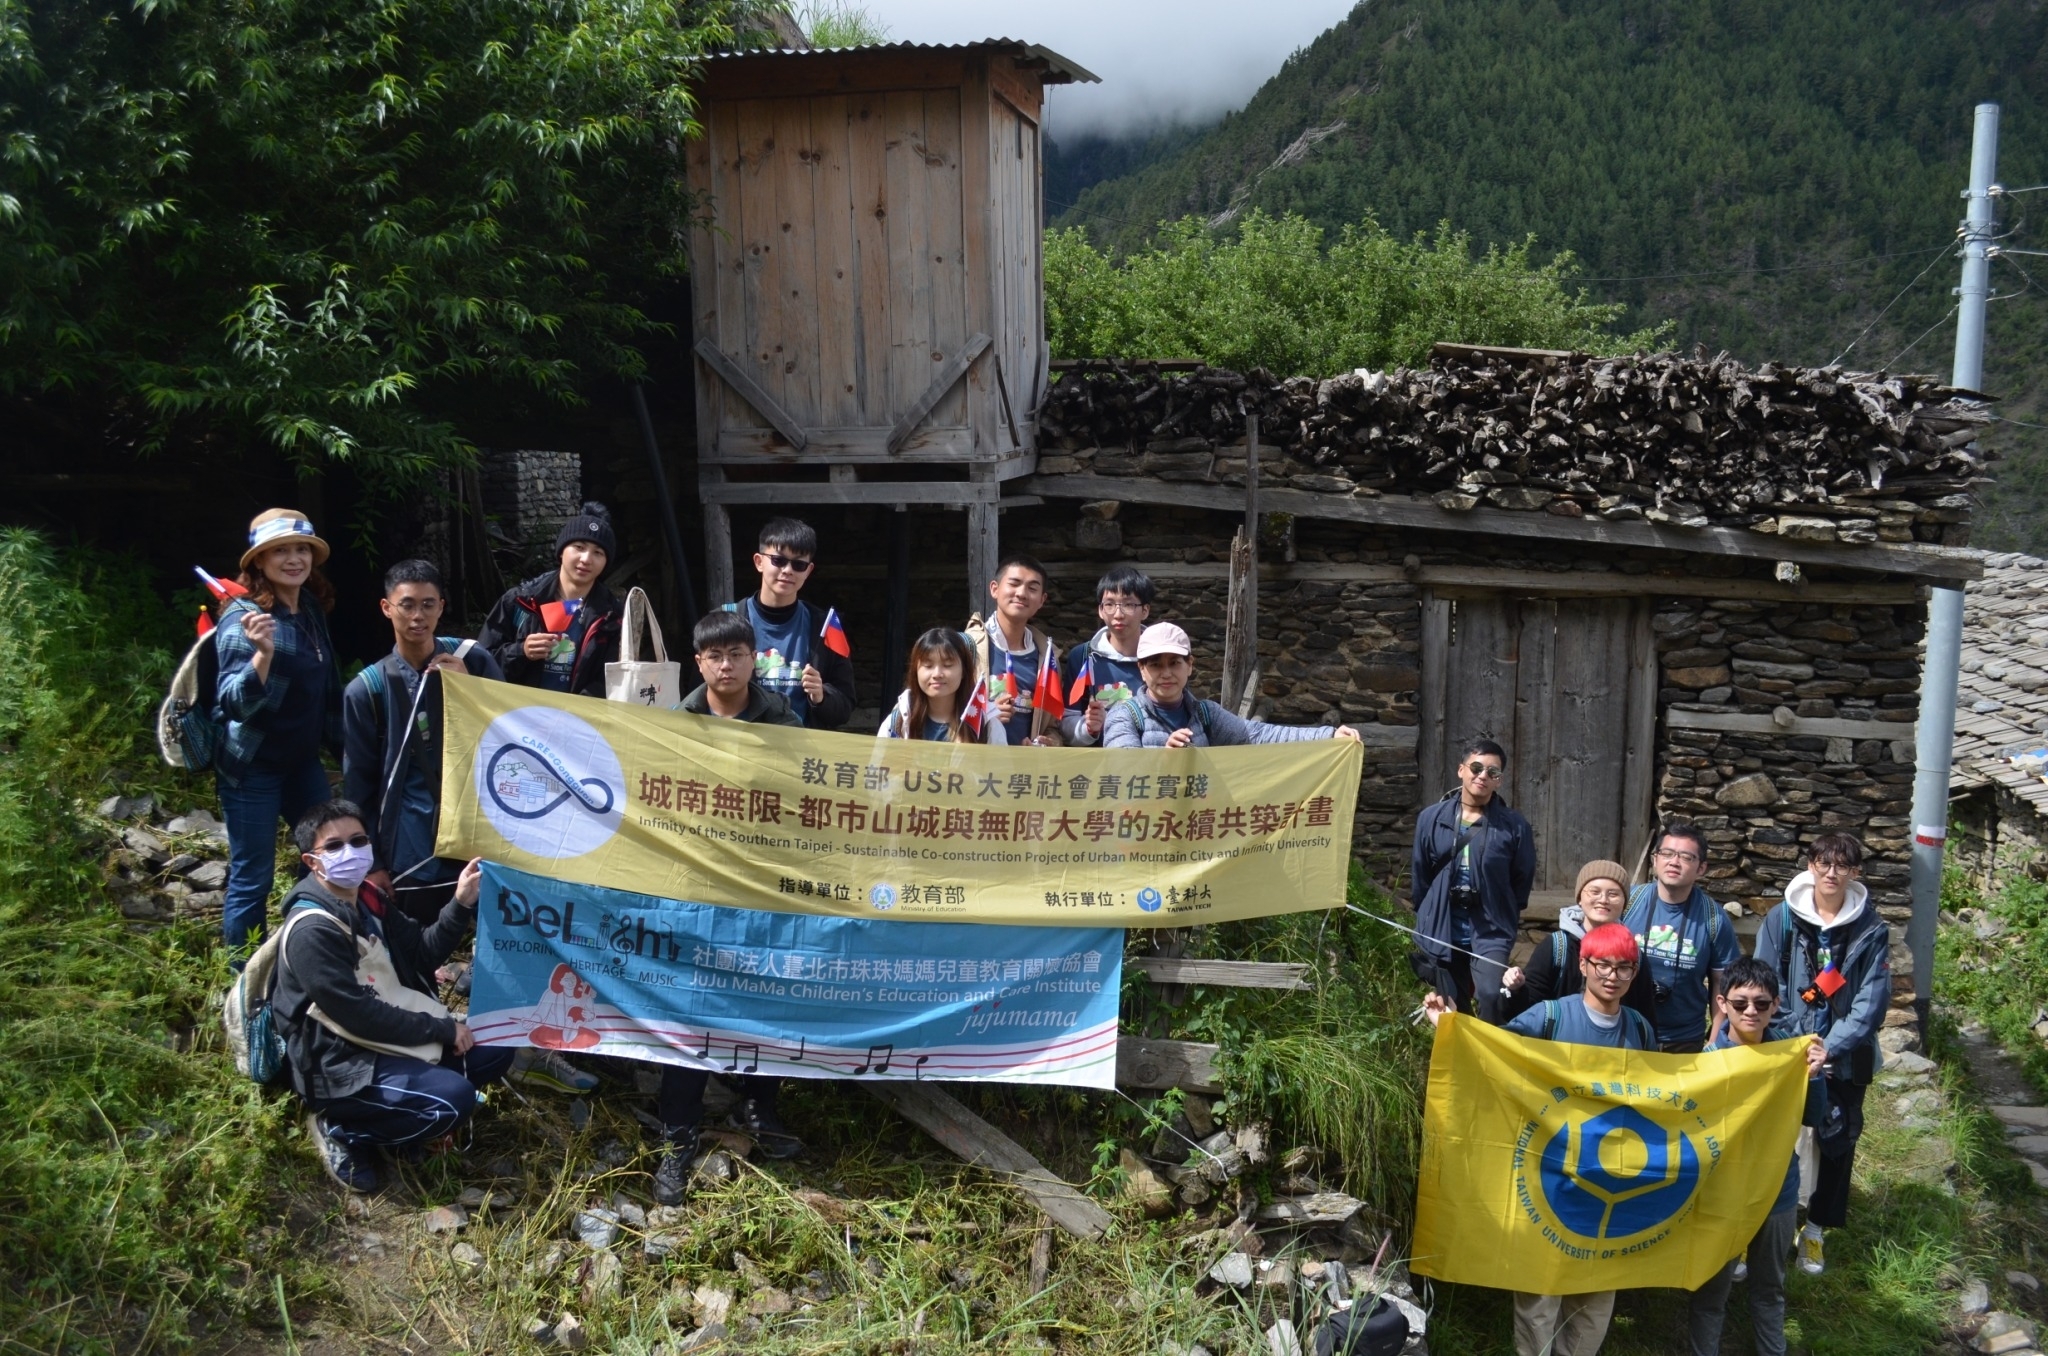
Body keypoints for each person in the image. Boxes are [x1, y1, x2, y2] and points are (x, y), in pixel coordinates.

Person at [1423, 922, 1652, 1356]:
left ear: (1634, 973)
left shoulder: (1639, 1028)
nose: (1613, 975)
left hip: (1610, 1184)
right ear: (1584, 965)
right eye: (1603, 964)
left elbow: (1655, 1098)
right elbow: (1494, 1051)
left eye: (1625, 967)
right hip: (1547, 1179)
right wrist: (1450, 1028)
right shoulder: (1551, 1015)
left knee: (1597, 1294)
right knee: (1540, 1290)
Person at [271, 800, 509, 1193]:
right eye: (333, 847)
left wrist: (461, 901)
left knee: (497, 1047)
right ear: (312, 863)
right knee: (453, 1102)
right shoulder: (312, 931)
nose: (349, 851)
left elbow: (423, 951)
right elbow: (356, 1016)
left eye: (358, 839)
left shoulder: (366, 897)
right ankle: (343, 1128)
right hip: (340, 1059)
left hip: (387, 1027)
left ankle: (407, 1112)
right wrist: (441, 1029)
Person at [651, 611, 806, 1205]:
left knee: (762, 1000)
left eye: (737, 653)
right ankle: (677, 1140)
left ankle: (762, 1111)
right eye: (715, 655)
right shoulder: (673, 725)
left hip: (761, 889)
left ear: (753, 659)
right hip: (692, 891)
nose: (726, 664)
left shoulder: (784, 721)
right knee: (686, 1011)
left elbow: (802, 796)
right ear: (699, 662)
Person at [1755, 832, 1891, 1277]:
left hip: (1845, 1059)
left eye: (1842, 865)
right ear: (1810, 865)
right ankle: (1758, 1224)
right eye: (1823, 863)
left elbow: (1871, 1002)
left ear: (1855, 873)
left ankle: (1814, 1231)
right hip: (1787, 1052)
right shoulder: (1781, 919)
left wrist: (1830, 1046)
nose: (1831, 873)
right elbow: (1765, 984)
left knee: (1836, 1142)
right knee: (1772, 1140)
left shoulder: (1871, 929)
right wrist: (1800, 1041)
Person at [340, 559, 505, 922]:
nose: (418, 616)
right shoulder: (366, 690)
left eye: (428, 604)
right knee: (422, 943)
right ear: (386, 608)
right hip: (410, 841)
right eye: (407, 605)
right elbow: (359, 785)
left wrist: (470, 690)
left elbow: (510, 737)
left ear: (442, 606)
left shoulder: (472, 661)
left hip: (476, 830)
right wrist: (373, 863)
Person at [214, 509, 345, 951]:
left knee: (329, 858)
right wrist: (263, 655)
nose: (294, 559)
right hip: (254, 767)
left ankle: (310, 953)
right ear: (260, 562)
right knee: (254, 876)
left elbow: (326, 686)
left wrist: (350, 748)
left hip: (300, 762)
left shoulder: (308, 606)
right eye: (281, 551)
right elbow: (234, 702)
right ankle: (243, 980)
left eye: (301, 549)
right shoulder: (243, 619)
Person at [1687, 958, 1828, 1356]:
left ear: (1776, 1005)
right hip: (1721, 1195)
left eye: (1761, 1004)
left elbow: (1812, 1117)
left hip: (1776, 1192)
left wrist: (1814, 1077)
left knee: (1770, 1287)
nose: (1751, 1011)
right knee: (1710, 1289)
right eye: (1741, 1002)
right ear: (1722, 1004)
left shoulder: (1790, 1056)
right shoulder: (1708, 1061)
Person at [1408, 738, 1534, 1024]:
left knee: (1492, 994)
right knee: (1450, 1004)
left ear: (1499, 781)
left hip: (1489, 927)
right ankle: (1459, 1061)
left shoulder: (1513, 827)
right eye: (1476, 767)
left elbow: (1521, 879)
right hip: (1443, 922)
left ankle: (1492, 1056)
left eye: (1493, 772)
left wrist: (1504, 912)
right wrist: (1428, 913)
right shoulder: (1431, 818)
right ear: (1461, 770)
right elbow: (1421, 873)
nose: (1483, 776)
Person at [1100, 623, 1362, 749]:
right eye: (1155, 664)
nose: (1166, 673)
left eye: (1175, 662)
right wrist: (1163, 759)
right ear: (1141, 670)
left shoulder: (1206, 714)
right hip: (1141, 834)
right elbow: (1121, 776)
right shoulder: (1124, 715)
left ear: (1190, 665)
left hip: (1192, 829)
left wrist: (1328, 735)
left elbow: (1257, 735)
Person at [476, 502, 623, 697]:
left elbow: (614, 680)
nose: (586, 559)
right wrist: (522, 651)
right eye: (579, 547)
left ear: (605, 562)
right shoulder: (521, 602)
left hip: (579, 720)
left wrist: (577, 709)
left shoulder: (612, 617)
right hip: (519, 716)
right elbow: (481, 663)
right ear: (562, 551)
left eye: (598, 553)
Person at [720, 517, 854, 729]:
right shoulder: (724, 621)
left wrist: (821, 697)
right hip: (741, 749)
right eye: (778, 560)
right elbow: (700, 697)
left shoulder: (823, 626)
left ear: (808, 571)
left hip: (800, 754)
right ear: (759, 562)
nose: (788, 570)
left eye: (798, 564)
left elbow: (845, 707)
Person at [1624, 822, 1741, 1053]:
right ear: (1655, 859)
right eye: (1666, 853)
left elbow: (1723, 984)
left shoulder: (1713, 918)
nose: (1674, 862)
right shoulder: (1628, 902)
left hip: (1683, 1039)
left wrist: (1715, 1041)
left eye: (1686, 857)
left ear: (1701, 868)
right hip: (1625, 1030)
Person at [1501, 860, 1656, 1025]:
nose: (1603, 900)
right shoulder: (1557, 947)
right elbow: (1526, 1011)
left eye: (1613, 894)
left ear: (1624, 903)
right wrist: (1516, 989)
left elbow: (1645, 1015)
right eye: (1594, 892)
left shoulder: (1632, 953)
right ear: (1579, 898)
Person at [965, 553, 1064, 746]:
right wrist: (987, 713)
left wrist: (1050, 742)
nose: (1021, 593)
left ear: (1042, 600)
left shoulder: (1047, 658)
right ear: (994, 589)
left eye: (1032, 588)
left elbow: (1052, 725)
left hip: (1022, 772)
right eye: (1014, 583)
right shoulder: (967, 647)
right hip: (973, 767)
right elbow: (940, 711)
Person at [1059, 565, 1153, 746]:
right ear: (1100, 610)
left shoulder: (1159, 656)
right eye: (1109, 604)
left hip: (1148, 766)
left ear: (1145, 610)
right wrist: (1089, 728)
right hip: (1097, 769)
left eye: (1128, 604)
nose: (1118, 614)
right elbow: (1066, 720)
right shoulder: (1083, 656)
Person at [878, 627, 1008, 743]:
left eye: (947, 665)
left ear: (964, 671)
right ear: (915, 671)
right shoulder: (897, 723)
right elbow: (877, 767)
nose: (937, 674)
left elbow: (1002, 770)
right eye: (928, 666)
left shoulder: (988, 726)